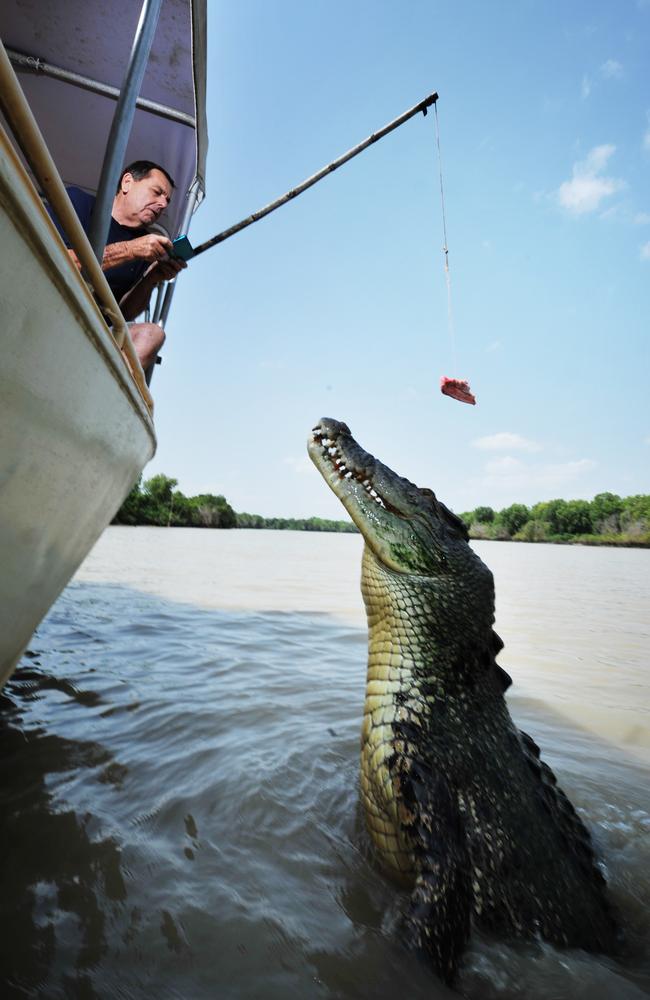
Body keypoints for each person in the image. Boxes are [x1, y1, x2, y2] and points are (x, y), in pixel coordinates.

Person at [48, 160, 187, 369]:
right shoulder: (78, 202)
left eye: (167, 200)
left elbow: (124, 314)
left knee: (153, 334)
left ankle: (98, 394)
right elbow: (55, 258)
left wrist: (152, 278)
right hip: (50, 299)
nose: (163, 204)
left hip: (97, 331)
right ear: (127, 183)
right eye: (157, 192)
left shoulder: (146, 248)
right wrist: (130, 250)